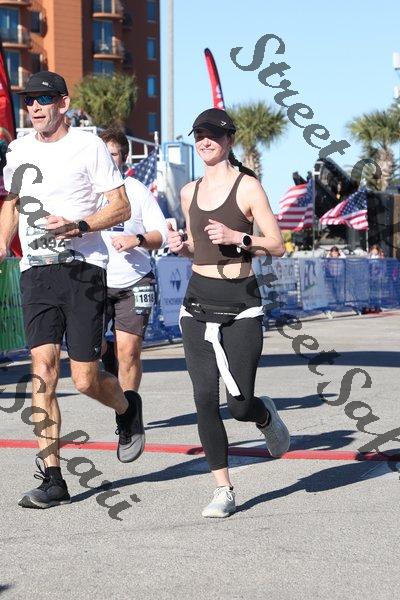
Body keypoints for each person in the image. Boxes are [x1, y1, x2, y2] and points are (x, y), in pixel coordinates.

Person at [0, 71, 141, 509]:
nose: (34, 107)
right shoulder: (18, 149)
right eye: (29, 100)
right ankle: (53, 478)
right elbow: (12, 204)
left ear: (63, 103)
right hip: (36, 271)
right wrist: (2, 246)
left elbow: (121, 206)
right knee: (42, 371)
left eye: (43, 99)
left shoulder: (88, 146)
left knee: (83, 379)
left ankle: (127, 409)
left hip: (83, 270)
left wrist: (79, 225)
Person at [167, 108, 290, 518]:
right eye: (198, 134)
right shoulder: (189, 191)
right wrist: (180, 246)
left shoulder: (247, 187)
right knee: (204, 399)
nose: (205, 141)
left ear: (229, 140)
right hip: (197, 303)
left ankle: (263, 414)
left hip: (241, 304)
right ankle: (223, 489)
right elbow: (196, 248)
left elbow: (277, 245)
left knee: (239, 405)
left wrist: (240, 237)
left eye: (213, 135)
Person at [98, 127, 167, 457]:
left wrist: (136, 239)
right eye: (103, 153)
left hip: (134, 281)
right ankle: (108, 359)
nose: (108, 159)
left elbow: (160, 234)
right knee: (91, 353)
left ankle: (127, 419)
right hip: (94, 282)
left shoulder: (137, 191)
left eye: (113, 153)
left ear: (124, 158)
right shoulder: (86, 191)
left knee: (129, 353)